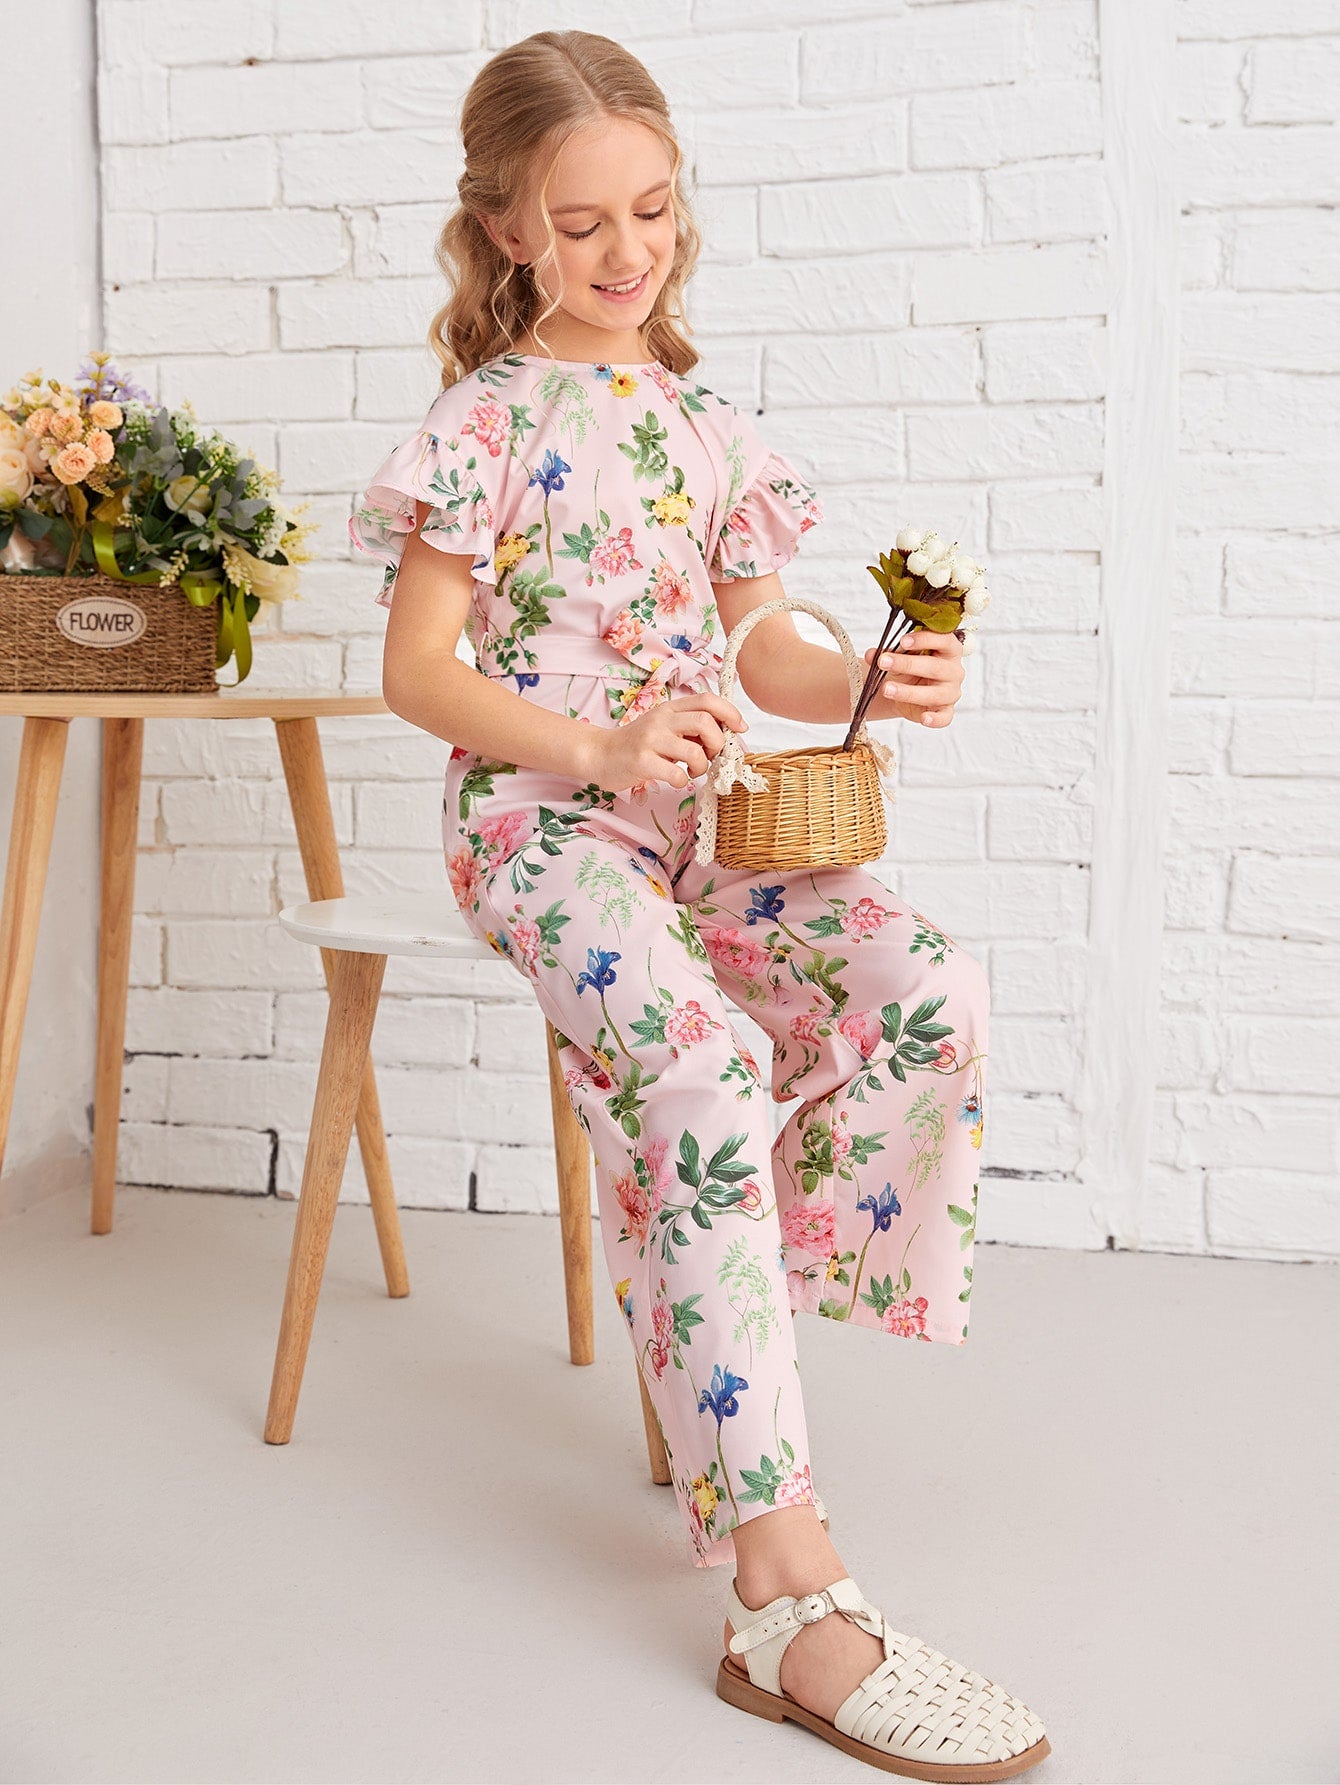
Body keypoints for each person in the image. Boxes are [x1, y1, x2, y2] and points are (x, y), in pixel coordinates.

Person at [348, 29, 1049, 1781]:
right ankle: (786, 1596)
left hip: (707, 815)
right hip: (544, 822)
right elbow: (417, 674)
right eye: (582, 222)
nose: (627, 252)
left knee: (927, 984)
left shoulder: (705, 424)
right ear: (508, 229)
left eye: (651, 211)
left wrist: (870, 678)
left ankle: (720, 1292)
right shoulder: (483, 425)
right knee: (704, 1077)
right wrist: (595, 743)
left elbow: (765, 643)